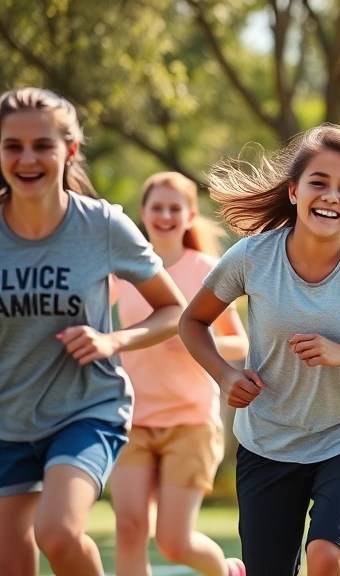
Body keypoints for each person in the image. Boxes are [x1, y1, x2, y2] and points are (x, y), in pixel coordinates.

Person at [178, 124, 340, 576]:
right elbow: (192, 321)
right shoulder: (252, 257)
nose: (331, 197)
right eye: (318, 182)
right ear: (294, 190)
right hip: (268, 440)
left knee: (325, 556)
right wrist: (225, 375)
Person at [0, 87, 186, 576]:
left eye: (42, 145)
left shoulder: (101, 226)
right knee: (11, 563)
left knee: (57, 533)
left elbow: (174, 311)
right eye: (12, 146)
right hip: (6, 417)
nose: (27, 158)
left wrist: (113, 341)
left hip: (86, 408)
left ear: (69, 151)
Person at [110, 172, 248, 576]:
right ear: (143, 213)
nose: (165, 215)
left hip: (189, 421)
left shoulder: (206, 268)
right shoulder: (126, 267)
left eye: (175, 208)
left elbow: (239, 345)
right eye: (157, 207)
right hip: (132, 417)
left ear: (189, 215)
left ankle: (228, 572)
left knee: (173, 541)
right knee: (130, 527)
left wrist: (195, 342)